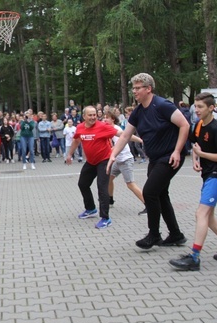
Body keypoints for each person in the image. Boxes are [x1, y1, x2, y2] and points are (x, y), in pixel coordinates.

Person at [108, 73, 190, 249]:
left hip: (170, 157)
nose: (134, 91)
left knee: (150, 192)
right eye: (133, 88)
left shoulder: (162, 105)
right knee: (161, 194)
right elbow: (125, 136)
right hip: (155, 158)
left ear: (148, 89)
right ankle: (176, 234)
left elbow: (185, 125)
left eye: (138, 88)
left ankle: (154, 235)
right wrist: (113, 154)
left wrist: (177, 151)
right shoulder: (137, 112)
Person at [169, 92, 217, 271]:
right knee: (209, 218)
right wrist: (196, 158)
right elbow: (196, 146)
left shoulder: (216, 129)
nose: (197, 110)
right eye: (196, 106)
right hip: (208, 175)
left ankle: (194, 258)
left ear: (211, 108)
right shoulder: (198, 125)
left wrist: (202, 155)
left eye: (201, 107)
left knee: (200, 214)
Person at [66, 106, 127, 229]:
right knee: (83, 184)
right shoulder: (80, 127)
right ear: (84, 116)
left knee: (102, 187)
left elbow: (122, 134)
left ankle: (105, 218)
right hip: (91, 162)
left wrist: (139, 139)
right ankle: (91, 209)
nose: (93, 117)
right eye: (90, 115)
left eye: (94, 115)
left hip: (104, 161)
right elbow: (76, 141)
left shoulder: (102, 126)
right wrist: (69, 154)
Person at [103, 111, 146, 215]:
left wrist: (140, 140)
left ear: (113, 119)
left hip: (125, 160)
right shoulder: (108, 129)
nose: (104, 119)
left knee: (130, 184)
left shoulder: (116, 129)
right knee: (108, 178)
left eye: (107, 118)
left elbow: (122, 142)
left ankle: (148, 205)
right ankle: (110, 200)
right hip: (118, 161)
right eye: (104, 117)